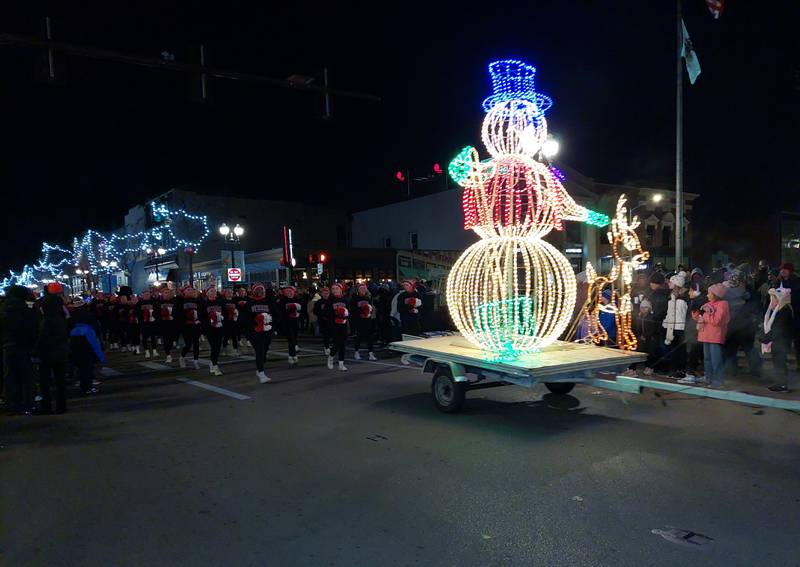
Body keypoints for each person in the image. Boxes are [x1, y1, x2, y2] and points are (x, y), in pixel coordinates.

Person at [0, 285, 39, 414]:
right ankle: (27, 403)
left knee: (10, 376)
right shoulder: (27, 307)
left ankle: (13, 404)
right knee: (26, 376)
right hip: (24, 345)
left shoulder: (4, 307)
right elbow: (33, 326)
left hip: (8, 345)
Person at [36, 284, 70, 414]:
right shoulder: (62, 318)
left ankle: (47, 406)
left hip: (47, 352)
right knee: (60, 380)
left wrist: (36, 351)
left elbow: (42, 338)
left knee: (45, 381)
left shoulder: (46, 321)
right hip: (61, 350)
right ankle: (61, 405)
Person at [692, 282, 730, 388]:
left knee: (716, 359)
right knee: (707, 358)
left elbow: (717, 321)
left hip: (715, 336)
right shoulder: (708, 304)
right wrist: (695, 311)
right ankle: (708, 377)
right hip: (705, 335)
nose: (707, 295)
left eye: (709, 293)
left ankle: (718, 380)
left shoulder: (723, 304)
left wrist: (705, 316)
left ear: (716, 294)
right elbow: (699, 318)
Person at [68, 297, 106, 396]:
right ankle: (88, 386)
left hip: (74, 342)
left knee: (79, 365)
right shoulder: (89, 315)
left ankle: (81, 384)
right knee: (88, 365)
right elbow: (97, 329)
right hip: (88, 341)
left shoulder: (71, 317)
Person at [759, 287, 794, 393]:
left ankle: (782, 384)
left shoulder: (784, 311)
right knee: (777, 362)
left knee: (779, 362)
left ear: (780, 300)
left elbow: (778, 329)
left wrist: (765, 338)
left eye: (774, 298)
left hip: (781, 341)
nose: (772, 301)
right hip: (778, 341)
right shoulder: (780, 310)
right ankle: (779, 383)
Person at [243, 284, 275, 383]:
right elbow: (244, 318)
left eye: (262, 289)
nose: (260, 291)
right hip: (255, 332)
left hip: (267, 331)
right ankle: (261, 374)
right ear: (254, 291)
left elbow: (276, 314)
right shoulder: (249, 303)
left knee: (264, 352)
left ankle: (259, 368)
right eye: (258, 290)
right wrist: (254, 324)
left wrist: (271, 324)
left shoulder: (268, 302)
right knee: (259, 351)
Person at [641, 271, 669, 375]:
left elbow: (659, 311)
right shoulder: (654, 293)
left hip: (656, 325)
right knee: (654, 346)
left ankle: (655, 366)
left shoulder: (660, 294)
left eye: (653, 282)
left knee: (656, 346)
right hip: (653, 324)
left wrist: (651, 315)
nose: (650, 284)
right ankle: (655, 366)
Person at [678, 281, 705, 384]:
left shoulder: (698, 303)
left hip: (695, 333)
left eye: (690, 290)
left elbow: (696, 319)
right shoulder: (694, 301)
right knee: (696, 353)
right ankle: (696, 373)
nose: (689, 292)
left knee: (692, 353)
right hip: (693, 332)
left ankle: (691, 374)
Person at [774, 262, 800, 369]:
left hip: (796, 315)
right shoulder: (778, 281)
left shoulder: (796, 281)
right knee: (783, 341)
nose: (782, 271)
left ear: (790, 271)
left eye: (785, 269)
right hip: (783, 317)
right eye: (781, 269)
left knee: (798, 342)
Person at [663, 272, 689, 378]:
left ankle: (680, 370)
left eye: (671, 282)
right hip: (672, 327)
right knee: (674, 350)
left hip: (680, 327)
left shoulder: (682, 299)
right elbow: (670, 313)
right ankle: (674, 369)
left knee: (680, 350)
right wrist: (666, 323)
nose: (669, 283)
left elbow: (682, 314)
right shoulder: (671, 297)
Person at [177, 286, 204, 369]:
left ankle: (196, 361)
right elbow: (176, 313)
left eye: (192, 290)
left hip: (195, 325)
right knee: (188, 344)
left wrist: (199, 319)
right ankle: (182, 357)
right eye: (188, 290)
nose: (190, 291)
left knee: (196, 343)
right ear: (184, 292)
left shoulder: (197, 301)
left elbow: (201, 311)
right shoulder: (180, 301)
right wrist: (186, 317)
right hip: (186, 325)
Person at [350, 283, 377, 361]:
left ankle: (371, 353)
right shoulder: (354, 298)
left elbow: (371, 308)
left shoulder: (367, 298)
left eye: (364, 289)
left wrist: (369, 313)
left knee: (369, 337)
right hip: (359, 321)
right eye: (361, 289)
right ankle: (356, 352)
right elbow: (352, 310)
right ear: (358, 290)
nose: (362, 290)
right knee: (359, 337)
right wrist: (360, 314)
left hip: (367, 320)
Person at [326, 283, 349, 371]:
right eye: (333, 289)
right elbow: (326, 313)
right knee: (336, 343)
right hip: (334, 325)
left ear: (341, 290)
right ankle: (331, 357)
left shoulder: (345, 300)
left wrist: (345, 315)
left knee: (342, 344)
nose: (335, 290)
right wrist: (336, 313)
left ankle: (341, 364)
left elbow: (348, 312)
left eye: (336, 288)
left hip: (343, 325)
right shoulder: (330, 300)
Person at [203, 286, 225, 376]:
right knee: (214, 346)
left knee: (218, 347)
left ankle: (212, 362)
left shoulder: (220, 302)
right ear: (207, 293)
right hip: (210, 328)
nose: (213, 292)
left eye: (214, 291)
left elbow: (225, 314)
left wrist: (221, 319)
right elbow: (202, 316)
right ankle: (215, 366)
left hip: (219, 327)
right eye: (211, 291)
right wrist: (210, 320)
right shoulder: (204, 303)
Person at [278, 286, 302, 365]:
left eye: (290, 291)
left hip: (295, 322)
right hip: (287, 323)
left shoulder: (298, 300)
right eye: (287, 291)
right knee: (291, 340)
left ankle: (293, 355)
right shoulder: (282, 301)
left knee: (294, 339)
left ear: (294, 292)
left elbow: (301, 310)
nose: (289, 292)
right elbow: (280, 312)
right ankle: (291, 356)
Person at [136, 289, 160, 359]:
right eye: (145, 294)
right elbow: (137, 313)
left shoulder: (153, 302)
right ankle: (146, 351)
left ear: (150, 295)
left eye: (148, 294)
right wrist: (143, 315)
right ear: (142, 295)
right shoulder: (139, 303)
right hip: (143, 323)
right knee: (144, 338)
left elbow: (157, 311)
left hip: (152, 322)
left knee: (153, 337)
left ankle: (154, 351)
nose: (146, 295)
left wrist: (154, 317)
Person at [159, 287, 180, 364]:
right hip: (164, 324)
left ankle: (171, 347)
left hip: (173, 323)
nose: (167, 294)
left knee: (171, 339)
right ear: (162, 294)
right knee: (166, 340)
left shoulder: (174, 302)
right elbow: (157, 313)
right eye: (165, 293)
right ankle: (168, 355)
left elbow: (178, 311)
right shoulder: (159, 303)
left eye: (169, 292)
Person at [313, 287, 334, 355]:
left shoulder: (332, 301)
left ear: (329, 294)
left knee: (331, 334)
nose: (325, 295)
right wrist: (321, 314)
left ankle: (329, 345)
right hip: (323, 321)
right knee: (326, 335)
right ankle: (326, 347)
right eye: (324, 293)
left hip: (331, 321)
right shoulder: (319, 302)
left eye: (327, 293)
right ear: (321, 294)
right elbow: (315, 311)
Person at [221, 288, 240, 356]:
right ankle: (224, 349)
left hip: (233, 321)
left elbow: (237, 309)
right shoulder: (223, 301)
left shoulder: (234, 301)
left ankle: (235, 349)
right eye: (228, 292)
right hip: (226, 321)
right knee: (226, 336)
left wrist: (236, 313)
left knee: (234, 336)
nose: (230, 293)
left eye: (231, 292)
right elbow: (221, 311)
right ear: (225, 293)